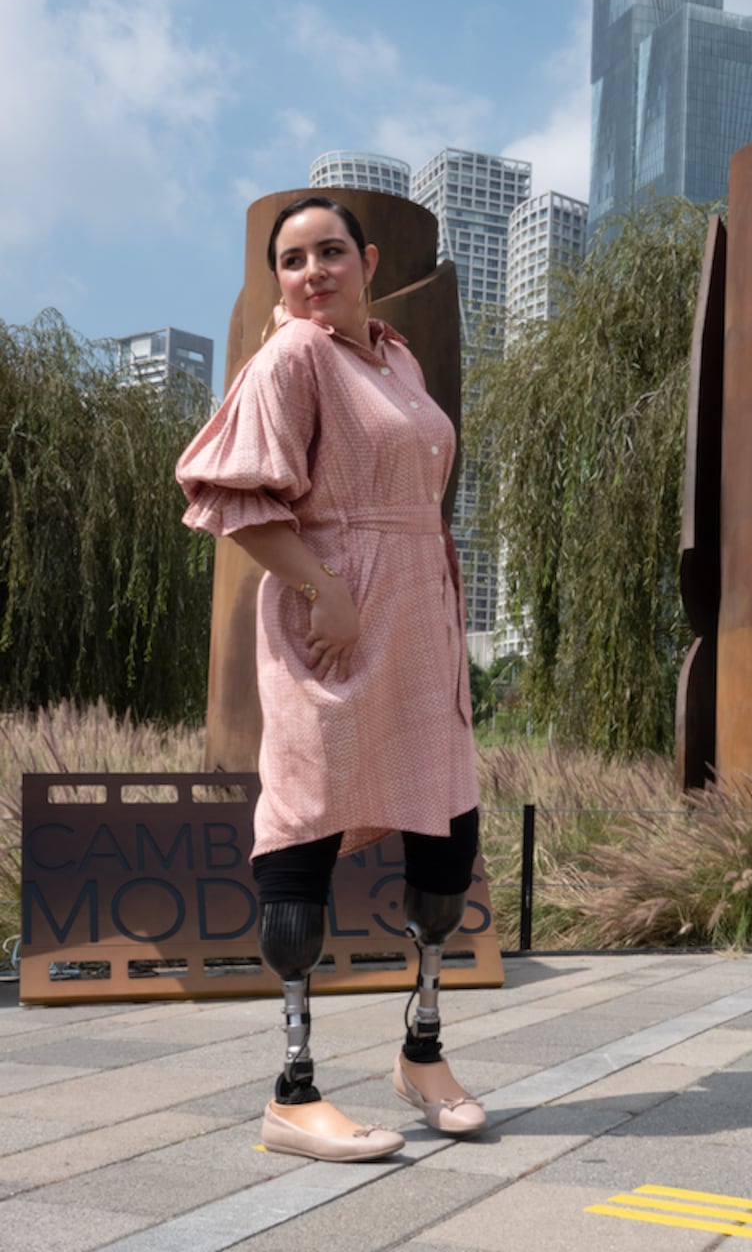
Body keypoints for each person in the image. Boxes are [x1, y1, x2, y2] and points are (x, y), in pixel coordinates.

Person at [176, 196, 486, 1162]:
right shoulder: (292, 358)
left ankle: (423, 1052)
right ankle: (293, 1089)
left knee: (447, 830)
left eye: (332, 252)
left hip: (423, 617)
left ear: (369, 260)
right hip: (335, 621)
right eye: (293, 258)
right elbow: (236, 499)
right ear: (279, 276)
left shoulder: (399, 359)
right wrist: (326, 591)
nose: (313, 271)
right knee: (303, 824)